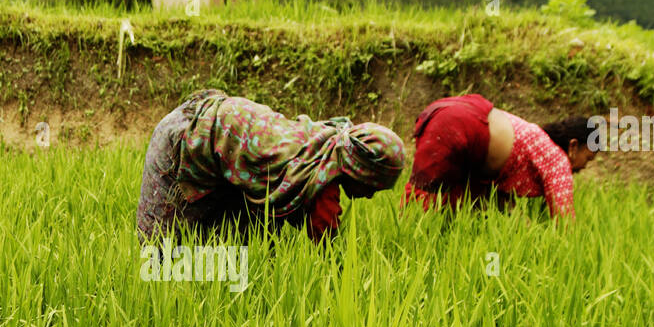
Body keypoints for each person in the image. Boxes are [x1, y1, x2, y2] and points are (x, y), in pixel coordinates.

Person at [136, 89, 406, 241]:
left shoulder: (323, 144)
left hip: (217, 138)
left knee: (230, 239)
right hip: (184, 137)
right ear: (359, 169)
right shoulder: (320, 180)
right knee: (161, 248)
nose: (369, 195)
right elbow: (326, 242)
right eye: (372, 186)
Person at [404, 94, 597, 219]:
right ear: (573, 146)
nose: (585, 166)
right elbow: (565, 220)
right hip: (461, 125)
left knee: (449, 206)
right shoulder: (558, 161)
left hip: (449, 110)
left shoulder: (538, 142)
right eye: (588, 158)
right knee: (420, 204)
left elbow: (495, 200)